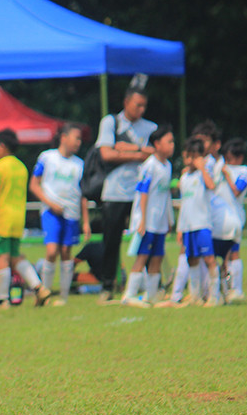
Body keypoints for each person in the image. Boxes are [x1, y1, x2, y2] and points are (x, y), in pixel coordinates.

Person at [94, 87, 157, 301]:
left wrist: (125, 149)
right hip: (114, 192)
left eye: (144, 106)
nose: (141, 109)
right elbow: (106, 153)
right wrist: (140, 152)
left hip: (141, 192)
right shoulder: (111, 122)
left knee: (145, 237)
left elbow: (155, 154)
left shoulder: (150, 127)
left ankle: (149, 283)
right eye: (137, 104)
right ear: (126, 102)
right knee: (111, 241)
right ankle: (107, 285)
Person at [0, 128, 52, 309]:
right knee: (15, 256)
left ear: (2, 146)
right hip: (18, 218)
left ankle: (3, 299)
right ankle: (39, 288)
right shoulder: (21, 167)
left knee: (1, 257)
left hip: (1, 218)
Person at [29, 123, 89, 306]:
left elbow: (83, 195)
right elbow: (34, 185)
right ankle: (45, 294)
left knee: (66, 253)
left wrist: (86, 222)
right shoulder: (47, 158)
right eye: (76, 138)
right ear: (64, 137)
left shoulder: (79, 164)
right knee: (52, 250)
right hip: (50, 211)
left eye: (80, 139)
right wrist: (51, 203)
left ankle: (63, 297)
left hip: (71, 213)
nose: (78, 142)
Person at [159, 138, 220, 307]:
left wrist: (202, 168)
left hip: (202, 224)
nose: (189, 160)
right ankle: (195, 295)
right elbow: (185, 204)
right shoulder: (185, 177)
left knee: (209, 259)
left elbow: (211, 186)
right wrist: (180, 228)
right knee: (191, 259)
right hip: (188, 226)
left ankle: (215, 296)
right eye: (187, 156)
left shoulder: (204, 173)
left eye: (193, 157)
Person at [119, 125, 174, 307]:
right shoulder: (149, 166)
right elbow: (143, 193)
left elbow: (165, 195)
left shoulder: (168, 166)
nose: (172, 145)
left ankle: (151, 295)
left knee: (157, 256)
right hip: (147, 220)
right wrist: (141, 219)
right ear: (157, 144)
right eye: (169, 141)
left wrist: (169, 219)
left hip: (159, 221)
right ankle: (129, 294)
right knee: (142, 256)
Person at [219, 138, 247, 300]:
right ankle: (225, 288)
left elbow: (237, 191)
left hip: (236, 217)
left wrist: (227, 176)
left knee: (234, 253)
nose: (228, 162)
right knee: (223, 255)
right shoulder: (221, 168)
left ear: (239, 158)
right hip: (221, 218)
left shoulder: (244, 171)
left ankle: (237, 289)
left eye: (231, 158)